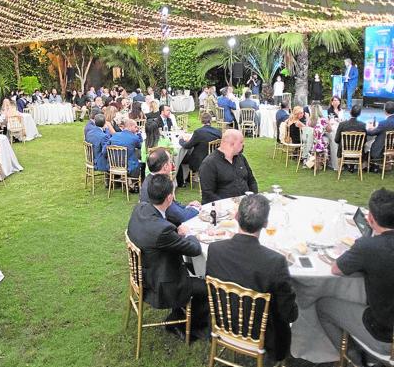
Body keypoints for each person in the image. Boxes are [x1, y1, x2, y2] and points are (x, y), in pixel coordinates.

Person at [206, 194, 298, 362]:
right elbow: (289, 313)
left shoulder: (214, 249)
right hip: (262, 335)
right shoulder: (275, 261)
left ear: (236, 216)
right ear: (265, 223)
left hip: (223, 322)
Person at [316, 188, 394, 365]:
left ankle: (357, 357)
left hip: (383, 334)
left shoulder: (368, 246)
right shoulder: (371, 245)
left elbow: (336, 269)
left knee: (323, 305)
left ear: (370, 219)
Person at [127, 174, 208, 341]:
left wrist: (175, 232)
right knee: (208, 285)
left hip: (142, 273)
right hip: (159, 285)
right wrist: (188, 232)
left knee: (191, 268)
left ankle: (181, 317)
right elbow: (194, 249)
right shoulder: (163, 230)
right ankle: (187, 326)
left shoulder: (140, 209)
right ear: (170, 198)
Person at [141, 148, 200, 225]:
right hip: (164, 226)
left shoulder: (150, 178)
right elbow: (181, 216)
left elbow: (173, 204)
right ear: (165, 166)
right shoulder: (160, 185)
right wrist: (196, 209)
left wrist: (186, 207)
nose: (172, 164)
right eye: (171, 162)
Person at [199, 129, 258, 204]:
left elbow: (251, 180)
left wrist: (254, 198)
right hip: (222, 209)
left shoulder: (241, 158)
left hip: (245, 204)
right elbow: (208, 194)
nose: (243, 145)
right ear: (232, 144)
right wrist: (229, 205)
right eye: (241, 142)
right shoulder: (209, 163)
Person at [334, 105, 366, 172]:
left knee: (340, 144)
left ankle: (345, 165)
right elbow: (364, 140)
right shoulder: (363, 125)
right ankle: (352, 165)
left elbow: (336, 139)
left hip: (344, 150)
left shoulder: (342, 124)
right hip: (357, 150)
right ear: (359, 114)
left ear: (350, 112)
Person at [367, 101, 394, 172]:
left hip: (383, 146)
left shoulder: (383, 123)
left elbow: (371, 133)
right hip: (391, 145)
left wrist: (368, 128)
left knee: (366, 144)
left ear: (385, 110)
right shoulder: (384, 123)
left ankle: (372, 165)